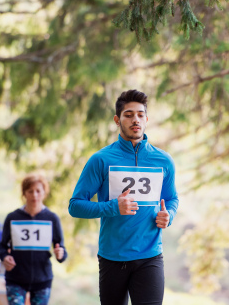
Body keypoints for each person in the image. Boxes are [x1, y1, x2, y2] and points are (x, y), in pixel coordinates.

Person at [69, 89, 179, 305]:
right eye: (128, 115)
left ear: (146, 119)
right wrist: (112, 207)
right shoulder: (101, 160)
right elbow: (76, 206)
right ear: (117, 120)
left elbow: (172, 198)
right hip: (113, 257)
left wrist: (169, 215)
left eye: (140, 114)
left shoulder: (163, 161)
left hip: (150, 256)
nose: (135, 119)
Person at [0, 174, 67, 305]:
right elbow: (2, 246)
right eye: (30, 191)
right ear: (24, 193)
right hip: (15, 278)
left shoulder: (52, 218)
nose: (34, 195)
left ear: (44, 193)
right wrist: (4, 257)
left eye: (38, 191)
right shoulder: (12, 217)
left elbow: (61, 249)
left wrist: (60, 254)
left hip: (42, 279)